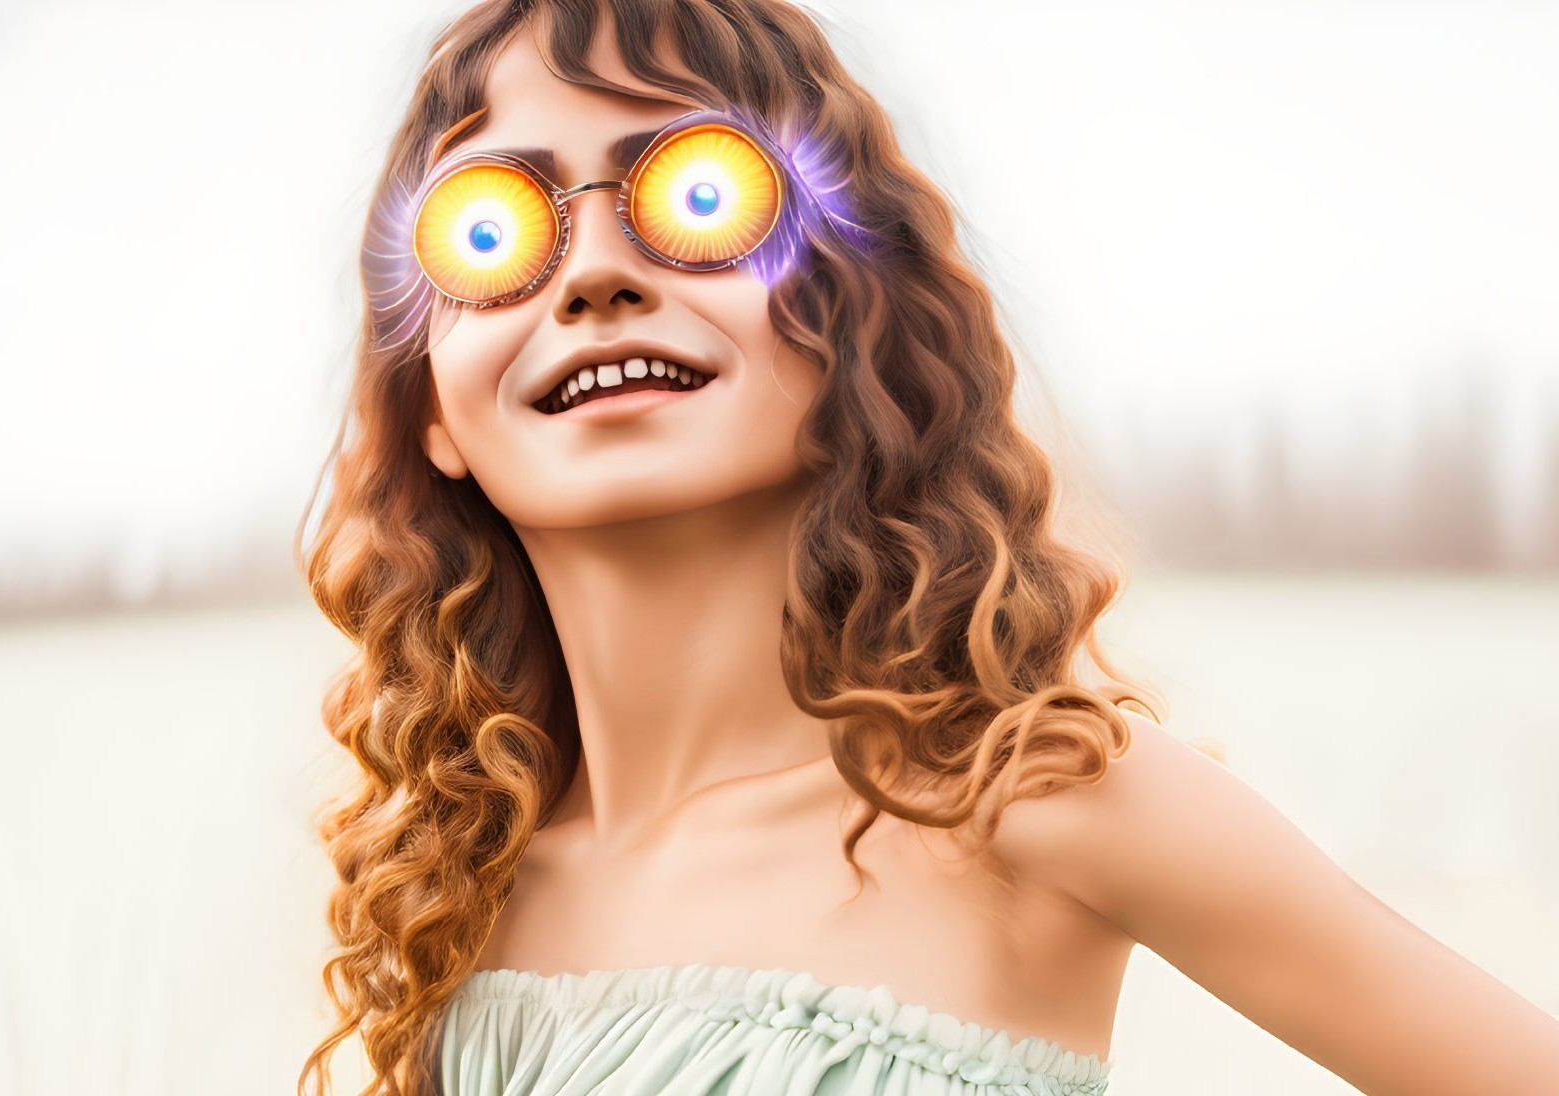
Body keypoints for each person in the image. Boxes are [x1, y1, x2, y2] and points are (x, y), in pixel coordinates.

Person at [296, 2, 1559, 1094]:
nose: (595, 274)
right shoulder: (463, 893)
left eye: (698, 197)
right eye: (492, 232)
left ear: (853, 311)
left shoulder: (1033, 798)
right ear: (427, 408)